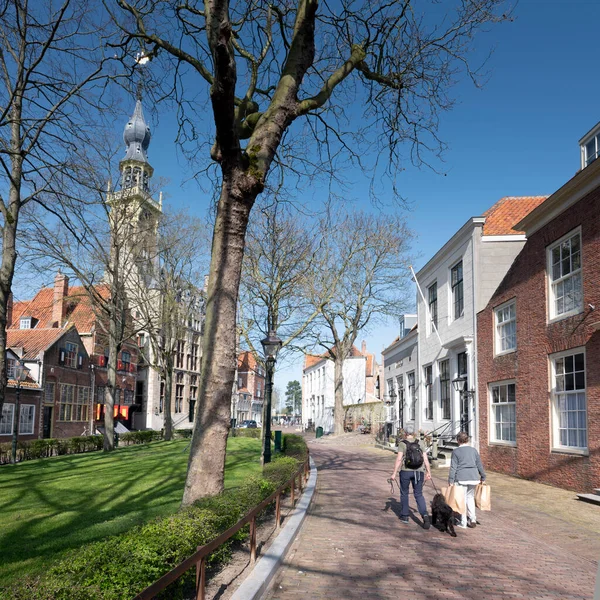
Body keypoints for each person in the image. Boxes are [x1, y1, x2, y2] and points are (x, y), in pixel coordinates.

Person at [390, 427, 432, 529]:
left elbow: (399, 459)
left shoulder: (402, 443)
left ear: (405, 433)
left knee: (404, 493)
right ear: (413, 433)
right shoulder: (420, 443)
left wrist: (394, 473)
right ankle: (425, 515)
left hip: (406, 472)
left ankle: (405, 516)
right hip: (419, 472)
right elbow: (425, 459)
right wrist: (428, 471)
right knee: (418, 494)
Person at [448, 431, 486, 529]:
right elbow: (479, 464)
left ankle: (463, 522)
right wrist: (483, 476)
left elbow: (453, 467)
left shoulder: (456, 452)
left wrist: (451, 480)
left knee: (462, 499)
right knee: (470, 498)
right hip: (473, 477)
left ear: (458, 440)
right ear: (467, 440)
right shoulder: (473, 450)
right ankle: (473, 518)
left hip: (461, 478)